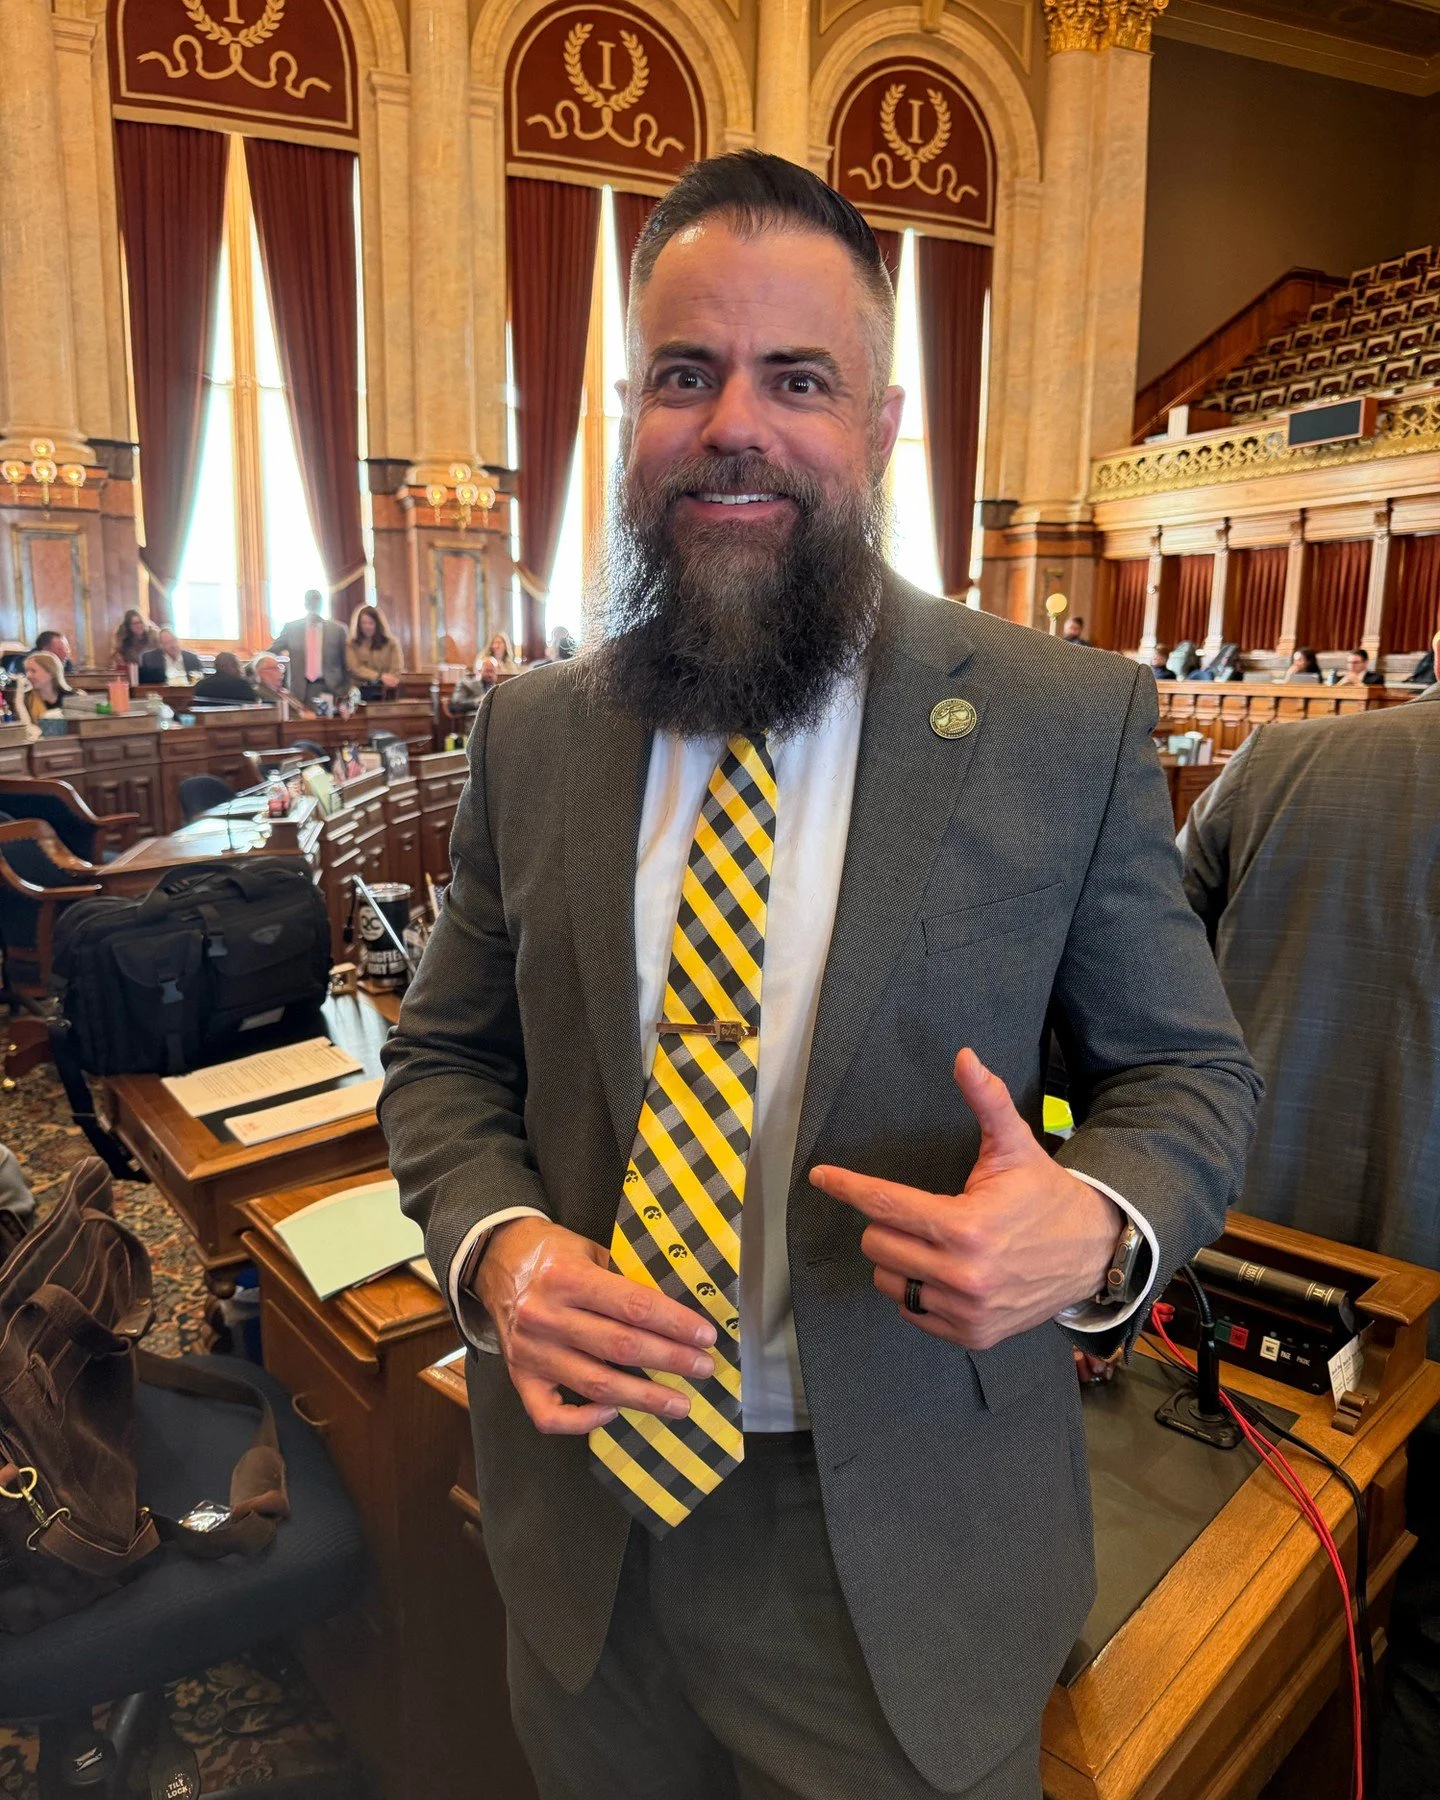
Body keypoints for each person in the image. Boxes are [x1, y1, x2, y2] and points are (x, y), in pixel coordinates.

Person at [379, 152, 1258, 1800]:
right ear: (629, 414)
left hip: (900, 1565)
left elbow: (1192, 1081)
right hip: (588, 1540)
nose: (736, 424)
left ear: (881, 425)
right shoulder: (537, 735)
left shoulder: (1063, 722)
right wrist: (497, 1255)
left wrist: (1095, 1222)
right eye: (685, 375)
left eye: (798, 379)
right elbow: (444, 1070)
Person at [1177, 659, 1440, 1799]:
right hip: (1417, 1312)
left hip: (1239, 1252)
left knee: (1213, 1592)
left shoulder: (1284, 759)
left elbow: (1143, 989)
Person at [269, 591, 348, 703]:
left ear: (321, 604)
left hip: (331, 689)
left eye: (317, 602)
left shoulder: (337, 629)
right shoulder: (291, 629)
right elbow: (271, 652)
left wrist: (345, 691)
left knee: (329, 720)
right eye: (311, 602)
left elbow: (346, 663)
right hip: (300, 690)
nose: (314, 605)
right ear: (305, 605)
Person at [346, 603, 404, 699]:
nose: (367, 626)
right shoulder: (351, 643)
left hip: (386, 691)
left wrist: (390, 679)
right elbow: (355, 668)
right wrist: (380, 676)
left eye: (371, 623)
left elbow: (396, 668)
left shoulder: (391, 643)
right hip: (359, 691)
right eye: (363, 623)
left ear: (378, 624)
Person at [18, 651, 72, 722]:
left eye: (33, 671)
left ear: (51, 672)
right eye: (27, 671)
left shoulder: (72, 697)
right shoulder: (25, 700)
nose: (28, 676)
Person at [191, 650, 258, 705]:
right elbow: (252, 705)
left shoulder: (201, 685)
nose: (241, 669)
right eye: (239, 665)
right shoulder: (242, 685)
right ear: (231, 666)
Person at [112, 609, 156, 675]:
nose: (139, 625)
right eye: (135, 623)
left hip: (152, 674)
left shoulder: (151, 637)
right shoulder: (125, 644)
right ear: (129, 627)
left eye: (140, 622)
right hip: (134, 677)